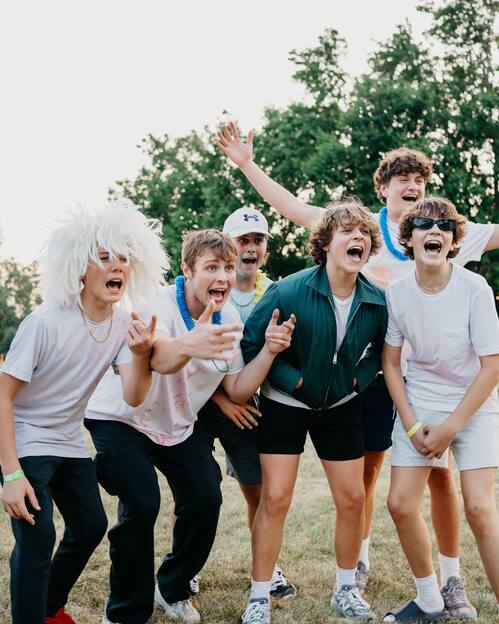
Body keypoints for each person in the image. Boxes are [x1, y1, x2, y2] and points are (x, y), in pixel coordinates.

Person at [215, 123, 499, 616]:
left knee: (437, 480)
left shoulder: (445, 227)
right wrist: (246, 164)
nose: (413, 188)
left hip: (426, 382)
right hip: (370, 375)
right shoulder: (359, 230)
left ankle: (450, 579)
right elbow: (293, 208)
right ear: (383, 188)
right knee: (361, 479)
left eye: (420, 181)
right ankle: (351, 569)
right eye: (403, 179)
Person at [85, 228, 295, 624]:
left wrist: (269, 351)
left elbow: (236, 388)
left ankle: (172, 586)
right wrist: (190, 344)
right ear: (187, 269)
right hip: (121, 418)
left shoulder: (228, 318)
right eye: (211, 267)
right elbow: (159, 359)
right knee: (142, 502)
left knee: (204, 498)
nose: (223, 277)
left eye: (228, 268)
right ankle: (124, 613)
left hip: (177, 424)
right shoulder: (157, 303)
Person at [0, 199, 169, 624]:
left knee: (91, 526)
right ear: (80, 268)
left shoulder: (122, 324)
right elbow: (2, 395)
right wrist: (12, 475)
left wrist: (142, 355)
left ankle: (48, 608)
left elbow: (134, 395)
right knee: (38, 538)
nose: (117, 266)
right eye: (105, 257)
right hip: (26, 437)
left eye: (124, 259)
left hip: (69, 439)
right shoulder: (45, 321)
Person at [240, 202, 387, 623]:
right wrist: (296, 381)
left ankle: (346, 590)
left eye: (364, 232)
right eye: (347, 231)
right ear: (325, 243)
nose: (358, 237)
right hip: (286, 404)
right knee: (275, 498)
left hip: (340, 406)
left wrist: (357, 379)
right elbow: (251, 345)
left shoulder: (376, 300)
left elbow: (380, 352)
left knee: (353, 499)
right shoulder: (287, 291)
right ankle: (259, 598)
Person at [382, 197, 499, 622]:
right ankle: (430, 599)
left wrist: (450, 428)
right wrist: (413, 426)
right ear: (409, 238)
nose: (435, 230)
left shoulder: (474, 288)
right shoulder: (396, 293)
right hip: (422, 401)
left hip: (475, 402)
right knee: (400, 503)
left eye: (445, 226)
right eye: (424, 224)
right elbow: (390, 363)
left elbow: (492, 367)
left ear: (453, 241)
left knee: (480, 509)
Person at [196, 207, 295, 599]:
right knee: (195, 492)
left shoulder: (275, 293)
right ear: (227, 246)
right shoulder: (208, 289)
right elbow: (192, 360)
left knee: (258, 491)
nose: (250, 248)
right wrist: (224, 401)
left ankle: (267, 568)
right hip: (205, 402)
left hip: (251, 405)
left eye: (257, 240)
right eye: (242, 240)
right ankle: (187, 569)